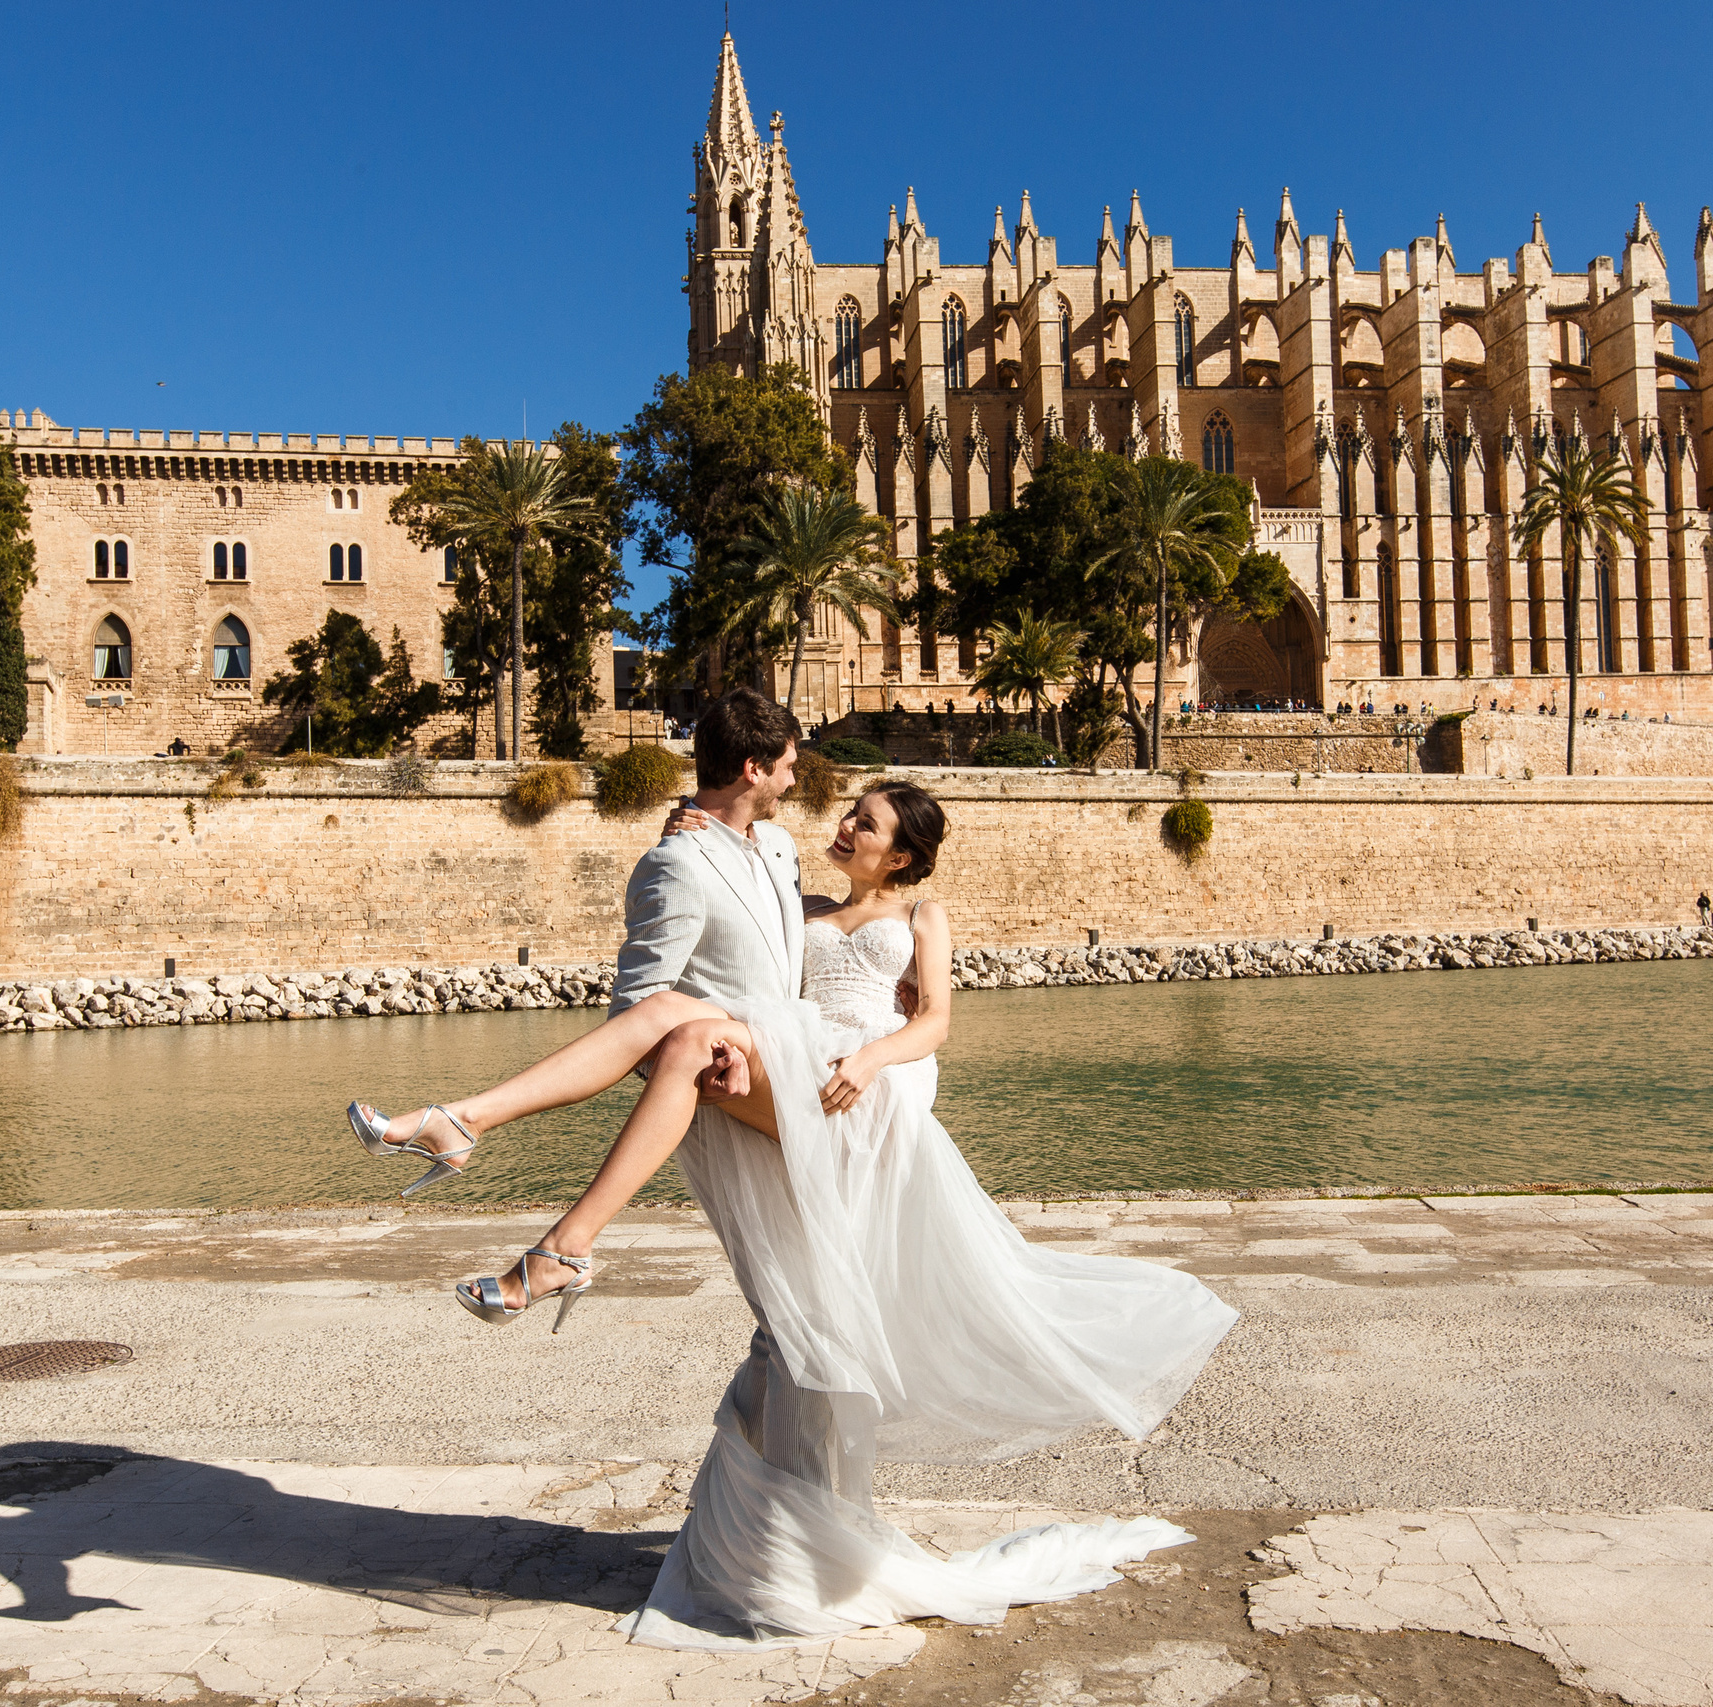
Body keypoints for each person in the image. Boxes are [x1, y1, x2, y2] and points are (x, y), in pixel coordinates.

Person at [347, 687, 1233, 1650]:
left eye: (867, 819)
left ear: (901, 853)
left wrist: (868, 1057)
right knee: (669, 1034)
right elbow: (753, 961)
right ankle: (488, 1157)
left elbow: (933, 1020)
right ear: (757, 772)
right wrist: (699, 838)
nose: (839, 813)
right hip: (794, 1068)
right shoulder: (780, 879)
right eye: (836, 799)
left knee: (673, 1036)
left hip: (864, 1091)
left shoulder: (918, 913)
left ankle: (526, 1201)